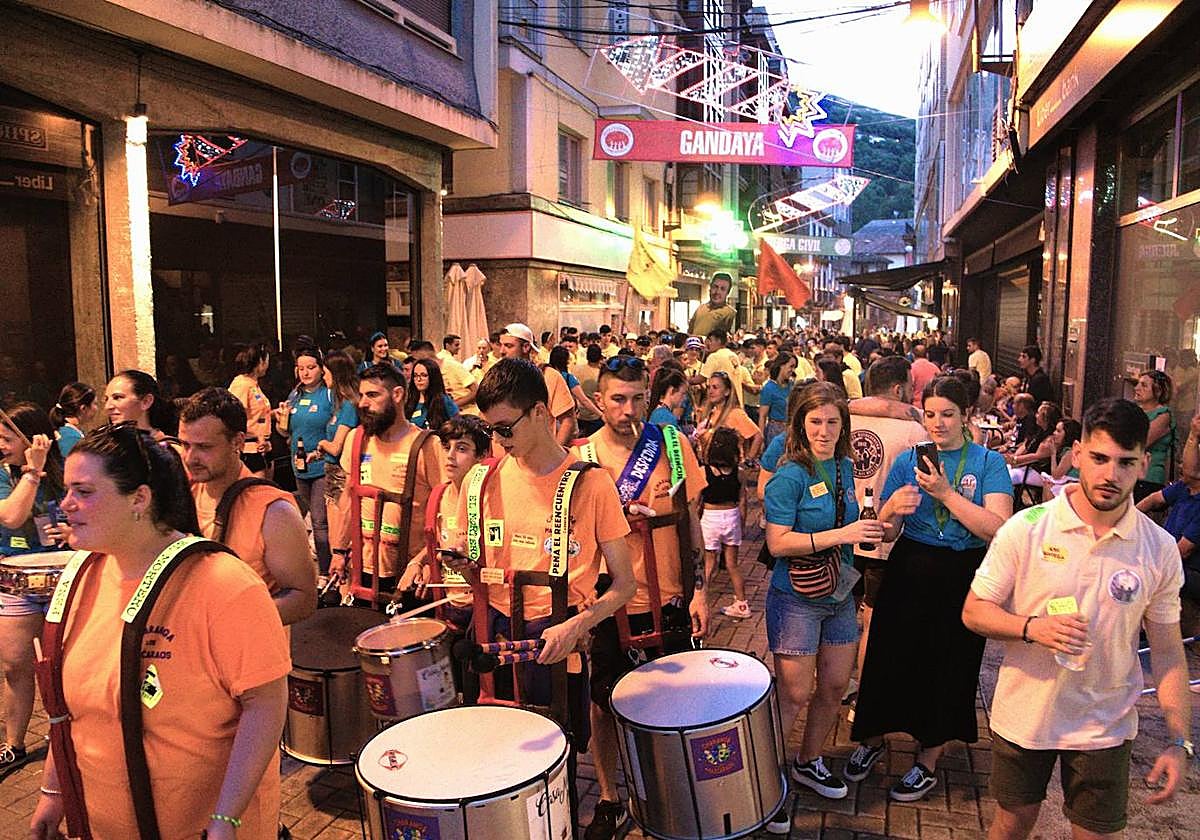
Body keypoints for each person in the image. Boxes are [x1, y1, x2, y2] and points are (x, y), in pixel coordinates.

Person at [29, 423, 289, 840]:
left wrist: (225, 820)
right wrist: (54, 792)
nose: (66, 504)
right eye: (67, 490)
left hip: (201, 830)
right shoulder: (82, 575)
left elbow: (266, 705)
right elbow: (73, 712)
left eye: (85, 491)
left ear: (140, 499)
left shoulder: (223, 584)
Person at [963, 398, 1193, 839]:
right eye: (1100, 458)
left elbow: (1167, 654)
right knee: (1012, 823)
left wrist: (1179, 740)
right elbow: (974, 611)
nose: (1111, 475)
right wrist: (1031, 628)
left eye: (1126, 462)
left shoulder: (1159, 548)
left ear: (1145, 463)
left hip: (1105, 725)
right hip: (1026, 716)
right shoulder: (1027, 528)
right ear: (1080, 454)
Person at [444, 359, 635, 753]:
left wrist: (578, 625)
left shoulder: (592, 483)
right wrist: (463, 566)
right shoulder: (480, 481)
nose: (498, 441)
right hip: (491, 637)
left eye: (504, 429)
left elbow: (624, 584)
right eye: (490, 430)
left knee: (553, 756)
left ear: (540, 413)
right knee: (497, 753)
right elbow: (477, 577)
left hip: (555, 640)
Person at [848, 376, 1012, 801]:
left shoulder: (987, 463)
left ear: (966, 416)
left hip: (963, 572)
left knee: (949, 663)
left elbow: (997, 529)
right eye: (931, 414)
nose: (938, 424)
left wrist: (945, 494)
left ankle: (929, 758)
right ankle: (871, 738)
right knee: (889, 655)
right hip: (910, 565)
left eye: (948, 415)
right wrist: (889, 509)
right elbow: (883, 534)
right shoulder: (907, 460)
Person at [575, 358, 707, 840]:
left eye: (636, 398)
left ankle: (668, 791)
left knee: (670, 702)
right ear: (599, 399)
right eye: (616, 398)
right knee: (602, 700)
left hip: (670, 595)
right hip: (609, 601)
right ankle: (610, 797)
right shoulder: (583, 455)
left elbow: (692, 518)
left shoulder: (673, 444)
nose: (627, 409)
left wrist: (701, 592)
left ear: (648, 398)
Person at [763, 382, 884, 824]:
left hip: (840, 593)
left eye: (833, 422)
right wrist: (843, 535)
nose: (824, 430)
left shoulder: (846, 467)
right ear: (800, 424)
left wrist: (878, 527)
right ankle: (766, 779)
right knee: (794, 693)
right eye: (816, 421)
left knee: (834, 684)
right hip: (795, 597)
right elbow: (777, 543)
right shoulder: (790, 474)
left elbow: (853, 524)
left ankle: (808, 761)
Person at [179, 388, 316, 626]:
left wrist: (226, 620)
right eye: (185, 445)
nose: (191, 458)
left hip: (250, 656)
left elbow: (302, 599)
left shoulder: (273, 511)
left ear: (238, 442)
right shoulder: (183, 495)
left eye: (204, 447)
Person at [844, 357, 927, 712]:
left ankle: (839, 685)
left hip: (842, 534)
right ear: (898, 389)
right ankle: (864, 700)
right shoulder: (915, 431)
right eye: (910, 386)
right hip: (883, 538)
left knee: (843, 616)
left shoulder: (841, 417)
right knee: (874, 622)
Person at [330, 362, 444, 602]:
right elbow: (350, 498)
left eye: (372, 395)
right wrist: (339, 551)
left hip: (408, 575)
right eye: (361, 395)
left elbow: (446, 510)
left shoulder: (427, 446)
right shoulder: (356, 439)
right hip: (362, 572)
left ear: (397, 395)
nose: (362, 403)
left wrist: (427, 561)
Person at [0, 404, 66, 770]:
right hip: (14, 582)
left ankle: (66, 735)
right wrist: (32, 472)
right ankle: (14, 743)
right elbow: (11, 516)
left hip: (63, 578)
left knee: (64, 666)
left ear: (35, 438)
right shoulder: (4, 475)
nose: (1, 443)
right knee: (14, 666)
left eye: (8, 437)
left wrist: (71, 531)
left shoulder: (66, 468)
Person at [274, 346, 336, 575]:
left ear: (321, 369)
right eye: (301, 368)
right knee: (311, 517)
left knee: (319, 521)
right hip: (299, 466)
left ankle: (326, 573)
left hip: (323, 466)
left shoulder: (329, 394)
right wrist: (282, 420)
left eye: (311, 367)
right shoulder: (295, 395)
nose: (306, 373)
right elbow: (284, 433)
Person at [701, 427, 753, 619]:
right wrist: (742, 523)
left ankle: (701, 602)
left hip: (710, 516)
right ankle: (742, 604)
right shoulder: (739, 473)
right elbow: (743, 500)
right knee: (732, 564)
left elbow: (697, 500)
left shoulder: (704, 472)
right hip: (731, 517)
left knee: (708, 563)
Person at [499, 323, 578, 445]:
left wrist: (555, 454)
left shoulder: (548, 376)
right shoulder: (498, 376)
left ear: (526, 347)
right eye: (501, 345)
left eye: (508, 346)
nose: (502, 351)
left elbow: (568, 421)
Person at [319, 349, 360, 570]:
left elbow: (336, 447)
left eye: (325, 372)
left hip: (340, 477)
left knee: (340, 538)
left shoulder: (349, 407)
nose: (324, 377)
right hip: (331, 475)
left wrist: (322, 444)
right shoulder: (339, 405)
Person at [693, 371, 762, 466]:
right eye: (709, 387)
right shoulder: (708, 412)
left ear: (727, 391)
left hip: (729, 470)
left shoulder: (736, 414)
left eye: (715, 387)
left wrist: (748, 461)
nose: (711, 391)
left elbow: (758, 436)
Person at [227, 343, 274, 478]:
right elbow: (234, 416)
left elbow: (256, 414)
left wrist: (275, 413)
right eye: (267, 361)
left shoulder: (253, 384)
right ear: (260, 362)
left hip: (263, 446)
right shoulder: (241, 384)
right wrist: (255, 436)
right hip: (249, 448)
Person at [103, 370, 178, 440]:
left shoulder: (168, 449)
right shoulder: (107, 445)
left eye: (117, 397)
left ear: (146, 401)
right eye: (106, 399)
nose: (108, 407)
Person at [1005, 402, 1062, 489]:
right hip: (1028, 467)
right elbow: (1026, 445)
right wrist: (1012, 458)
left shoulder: (1050, 440)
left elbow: (1035, 457)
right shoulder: (1040, 431)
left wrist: (1014, 460)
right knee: (999, 469)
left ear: (1045, 418)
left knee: (1006, 477)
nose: (1036, 415)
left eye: (1038, 413)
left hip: (1041, 473)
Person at [1134, 369, 1175, 487]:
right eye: (1137, 383)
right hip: (1131, 473)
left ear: (1158, 391)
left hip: (1149, 477)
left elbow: (1141, 442)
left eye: (1144, 385)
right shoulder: (1135, 411)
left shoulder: (1163, 415)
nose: (1137, 388)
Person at [549, 345, 602, 421]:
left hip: (549, 417)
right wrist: (601, 414)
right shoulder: (568, 378)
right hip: (565, 417)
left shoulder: (545, 373)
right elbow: (584, 400)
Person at [405, 357, 459, 430]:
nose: (418, 379)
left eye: (424, 375)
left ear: (433, 377)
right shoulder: (408, 400)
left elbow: (457, 425)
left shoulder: (444, 400)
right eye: (415, 375)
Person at [48, 383, 98, 457]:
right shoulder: (72, 439)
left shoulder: (66, 431)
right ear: (83, 408)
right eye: (95, 404)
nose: (97, 408)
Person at [759, 352, 796, 447]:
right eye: (791, 366)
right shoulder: (769, 388)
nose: (792, 370)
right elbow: (762, 416)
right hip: (775, 431)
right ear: (781, 365)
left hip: (791, 430)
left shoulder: (792, 386)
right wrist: (761, 438)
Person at [1039, 418, 1082, 500]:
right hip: (1065, 482)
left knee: (1048, 485)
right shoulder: (1065, 450)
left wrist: (1053, 453)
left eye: (1058, 431)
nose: (1054, 433)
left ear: (1068, 434)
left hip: (1073, 485)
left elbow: (1056, 475)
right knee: (1047, 484)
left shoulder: (1070, 452)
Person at [909, 341, 940, 406]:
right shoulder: (935, 368)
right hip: (932, 404)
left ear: (913, 355)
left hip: (916, 406)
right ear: (927, 355)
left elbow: (909, 388)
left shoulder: (911, 368)